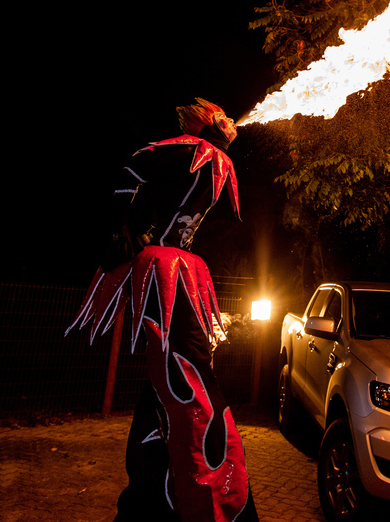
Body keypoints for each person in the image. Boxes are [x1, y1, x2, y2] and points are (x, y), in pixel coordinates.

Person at [68, 99, 258, 522]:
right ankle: (199, 473)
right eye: (222, 116)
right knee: (184, 367)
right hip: (162, 265)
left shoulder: (215, 160)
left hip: (179, 264)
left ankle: (154, 483)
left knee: (171, 373)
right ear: (206, 123)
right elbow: (134, 165)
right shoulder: (188, 147)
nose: (231, 120)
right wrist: (120, 225)